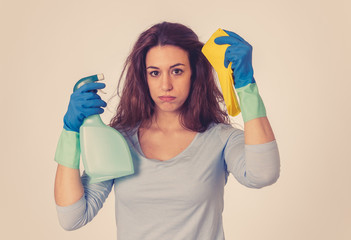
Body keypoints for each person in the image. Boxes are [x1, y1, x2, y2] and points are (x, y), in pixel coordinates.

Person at [54, 22, 280, 239]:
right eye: (155, 73)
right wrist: (70, 132)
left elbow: (263, 174)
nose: (165, 85)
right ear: (144, 77)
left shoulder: (221, 138)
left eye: (177, 71)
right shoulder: (120, 139)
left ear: (194, 73)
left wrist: (246, 87)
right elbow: (73, 217)